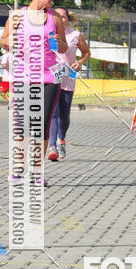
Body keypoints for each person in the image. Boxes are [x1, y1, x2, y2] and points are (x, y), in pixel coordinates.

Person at [0, 0, 67, 185]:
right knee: (22, 126)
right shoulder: (17, 16)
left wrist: (58, 42)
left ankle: (37, 171)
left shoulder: (54, 18)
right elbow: (3, 40)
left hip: (48, 78)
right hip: (23, 78)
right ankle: (19, 167)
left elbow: (63, 47)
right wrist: (7, 40)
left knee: (42, 126)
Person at [47, 8, 91, 161]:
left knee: (64, 115)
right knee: (53, 112)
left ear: (67, 19)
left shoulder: (75, 35)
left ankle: (61, 140)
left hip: (69, 76)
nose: (60, 19)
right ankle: (52, 147)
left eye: (63, 17)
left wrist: (79, 62)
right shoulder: (50, 34)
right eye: (57, 17)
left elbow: (86, 52)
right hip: (52, 76)